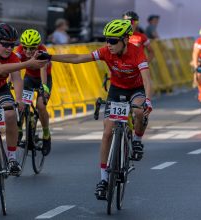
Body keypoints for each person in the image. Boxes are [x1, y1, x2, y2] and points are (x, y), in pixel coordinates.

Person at [49, 19, 153, 199]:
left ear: (125, 40)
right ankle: (104, 179)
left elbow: (147, 80)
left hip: (136, 90)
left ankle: (136, 139)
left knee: (137, 111)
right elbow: (78, 59)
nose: (109, 44)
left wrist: (148, 101)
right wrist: (51, 57)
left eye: (113, 41)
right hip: (116, 89)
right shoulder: (106, 52)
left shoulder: (137, 53)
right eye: (107, 40)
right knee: (107, 132)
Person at [0, 23, 48, 184]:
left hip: (0, 91)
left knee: (11, 114)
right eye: (5, 44)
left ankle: (12, 158)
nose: (8, 48)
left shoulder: (12, 57)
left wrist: (18, 100)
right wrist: (28, 63)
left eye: (12, 45)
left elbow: (17, 78)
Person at [15, 29, 52, 156]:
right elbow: (14, 67)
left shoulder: (42, 51)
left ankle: (46, 135)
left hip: (44, 78)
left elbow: (43, 70)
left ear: (37, 46)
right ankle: (19, 129)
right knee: (21, 103)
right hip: (29, 78)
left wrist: (44, 88)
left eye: (32, 48)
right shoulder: (19, 51)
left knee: (41, 106)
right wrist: (11, 82)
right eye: (25, 47)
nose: (28, 51)